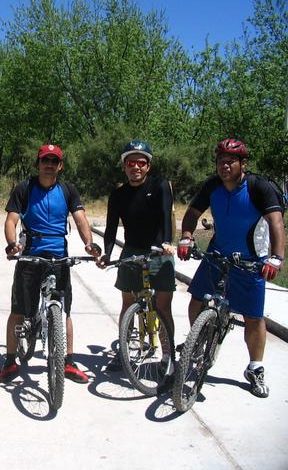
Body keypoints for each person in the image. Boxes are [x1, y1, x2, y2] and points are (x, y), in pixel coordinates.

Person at [177, 138, 285, 398]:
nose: (224, 165)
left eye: (230, 161)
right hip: (217, 253)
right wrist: (186, 237)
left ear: (242, 164)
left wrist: (276, 258)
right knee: (196, 299)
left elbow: (276, 222)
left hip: (251, 259)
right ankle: (199, 341)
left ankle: (255, 368)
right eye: (220, 161)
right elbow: (192, 213)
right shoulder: (212, 185)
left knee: (253, 317)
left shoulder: (259, 187)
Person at [0, 144, 100, 384]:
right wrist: (12, 244)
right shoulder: (25, 188)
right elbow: (11, 220)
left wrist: (89, 244)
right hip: (31, 255)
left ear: (60, 166)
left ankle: (68, 362)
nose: (49, 165)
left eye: (54, 161)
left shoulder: (67, 190)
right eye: (45, 161)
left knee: (64, 310)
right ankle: (10, 362)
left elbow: (81, 218)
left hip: (59, 256)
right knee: (19, 311)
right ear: (38, 163)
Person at [98, 140, 176, 373]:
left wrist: (167, 244)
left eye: (141, 163)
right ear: (124, 166)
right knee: (127, 304)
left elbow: (165, 215)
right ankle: (124, 352)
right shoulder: (118, 195)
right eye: (131, 162)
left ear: (148, 166)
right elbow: (111, 228)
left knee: (163, 307)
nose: (136, 167)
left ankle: (168, 356)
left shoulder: (160, 185)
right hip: (131, 250)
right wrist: (106, 254)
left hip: (159, 251)